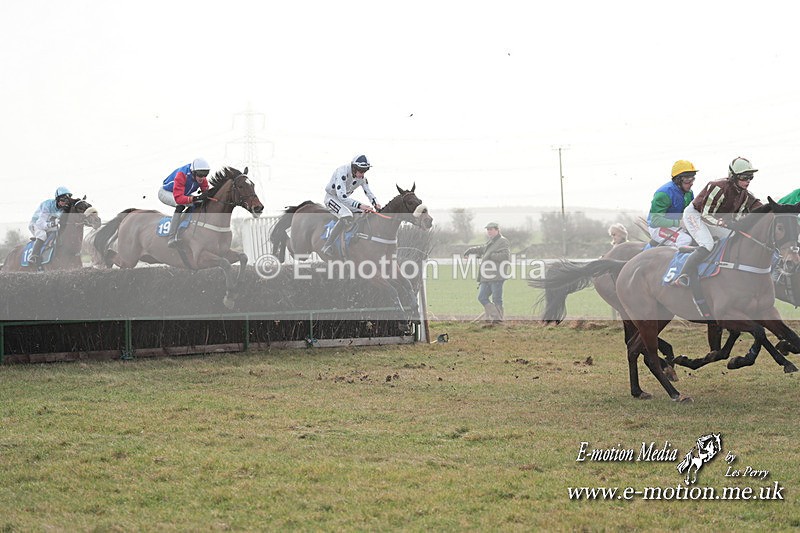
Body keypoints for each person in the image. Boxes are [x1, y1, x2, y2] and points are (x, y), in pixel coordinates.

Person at [678, 156, 763, 289]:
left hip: (713, 219)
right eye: (744, 177)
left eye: (750, 177)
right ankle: (684, 275)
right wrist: (723, 223)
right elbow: (705, 215)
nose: (748, 181)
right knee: (707, 244)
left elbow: (760, 208)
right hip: (695, 215)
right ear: (733, 177)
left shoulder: (745, 195)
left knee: (734, 238)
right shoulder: (718, 187)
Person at [320, 154, 382, 258]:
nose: (362, 175)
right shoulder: (342, 172)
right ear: (354, 168)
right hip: (332, 198)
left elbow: (368, 192)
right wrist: (361, 206)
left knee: (365, 213)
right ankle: (327, 246)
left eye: (365, 172)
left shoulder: (362, 178)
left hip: (344, 201)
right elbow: (342, 196)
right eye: (361, 171)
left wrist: (376, 203)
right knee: (347, 215)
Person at [464, 222, 511, 323]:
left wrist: (490, 256)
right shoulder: (491, 242)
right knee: (482, 297)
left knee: (496, 299)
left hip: (497, 275)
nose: (489, 231)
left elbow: (505, 256)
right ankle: (495, 317)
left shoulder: (503, 241)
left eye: (491, 229)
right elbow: (482, 249)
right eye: (488, 230)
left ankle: (497, 320)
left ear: (497, 230)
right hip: (486, 276)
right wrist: (470, 250)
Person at [159, 158, 211, 247]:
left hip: (182, 193)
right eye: (200, 175)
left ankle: (184, 226)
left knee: (198, 203)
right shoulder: (182, 175)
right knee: (180, 205)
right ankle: (171, 237)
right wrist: (195, 198)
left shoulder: (202, 178)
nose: (202, 177)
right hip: (166, 193)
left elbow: (206, 192)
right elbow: (179, 198)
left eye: (205, 174)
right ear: (193, 172)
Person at [647, 160, 697, 248]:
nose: (691, 183)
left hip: (676, 225)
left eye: (692, 179)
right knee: (685, 240)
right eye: (687, 180)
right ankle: (675, 261)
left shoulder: (689, 193)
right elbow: (656, 220)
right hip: (657, 228)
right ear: (678, 180)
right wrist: (678, 223)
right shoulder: (663, 194)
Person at [28, 186, 72, 264]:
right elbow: (40, 224)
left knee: (57, 233)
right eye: (63, 200)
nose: (65, 203)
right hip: (36, 224)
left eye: (66, 201)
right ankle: (33, 255)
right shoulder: (47, 205)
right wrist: (52, 224)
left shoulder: (63, 209)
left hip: (47, 225)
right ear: (57, 199)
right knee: (42, 235)